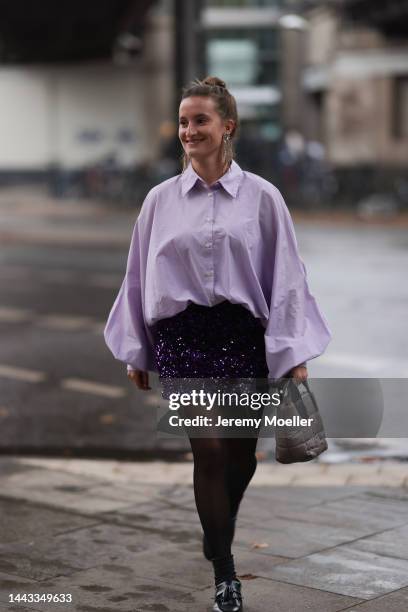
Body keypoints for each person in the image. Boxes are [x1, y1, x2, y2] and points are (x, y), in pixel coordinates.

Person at [104, 76, 331, 612]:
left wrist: (292, 352)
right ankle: (225, 573)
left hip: (242, 337)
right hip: (183, 339)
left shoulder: (263, 197)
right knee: (206, 449)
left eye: (200, 120)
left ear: (227, 126)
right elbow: (138, 274)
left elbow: (287, 277)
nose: (189, 130)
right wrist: (138, 348)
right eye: (183, 121)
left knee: (239, 456)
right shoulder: (160, 200)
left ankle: (218, 524)